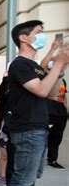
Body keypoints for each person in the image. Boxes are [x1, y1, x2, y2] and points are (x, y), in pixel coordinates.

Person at [5, 20, 69, 186]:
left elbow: (51, 94)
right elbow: (41, 91)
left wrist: (59, 71)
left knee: (30, 176)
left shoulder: (34, 66)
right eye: (38, 32)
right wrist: (58, 64)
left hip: (39, 127)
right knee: (22, 177)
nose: (42, 36)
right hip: (27, 129)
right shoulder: (20, 64)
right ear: (24, 38)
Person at [40, 38, 67, 170]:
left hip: (61, 110)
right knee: (45, 135)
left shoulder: (62, 80)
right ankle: (40, 157)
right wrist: (54, 50)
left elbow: (63, 96)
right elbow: (42, 66)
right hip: (50, 109)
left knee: (57, 137)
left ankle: (52, 159)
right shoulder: (49, 77)